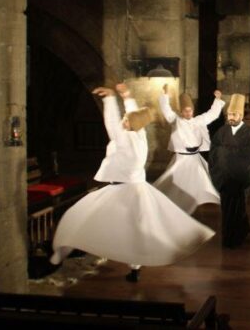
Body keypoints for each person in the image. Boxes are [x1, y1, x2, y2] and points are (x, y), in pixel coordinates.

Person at [50, 83, 214, 282]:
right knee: (134, 229)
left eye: (126, 120)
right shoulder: (139, 136)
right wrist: (127, 96)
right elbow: (135, 116)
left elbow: (112, 123)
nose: (123, 121)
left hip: (120, 190)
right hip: (136, 190)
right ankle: (133, 267)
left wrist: (110, 99)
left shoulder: (124, 138)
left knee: (79, 216)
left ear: (130, 125)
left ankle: (60, 255)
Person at [152, 85, 224, 213]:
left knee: (202, 180)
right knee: (176, 180)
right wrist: (165, 96)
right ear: (181, 112)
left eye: (190, 111)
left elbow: (212, 114)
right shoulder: (176, 120)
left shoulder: (198, 120)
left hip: (195, 157)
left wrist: (217, 100)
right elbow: (166, 110)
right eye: (185, 111)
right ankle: (174, 200)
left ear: (193, 111)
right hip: (182, 157)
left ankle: (199, 199)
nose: (188, 113)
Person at [208, 93, 250, 248]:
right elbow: (214, 150)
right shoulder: (222, 131)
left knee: (238, 207)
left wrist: (227, 152)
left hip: (239, 177)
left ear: (241, 115)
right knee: (226, 208)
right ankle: (231, 236)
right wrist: (224, 155)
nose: (231, 117)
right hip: (224, 176)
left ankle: (236, 236)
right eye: (229, 114)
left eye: (234, 114)